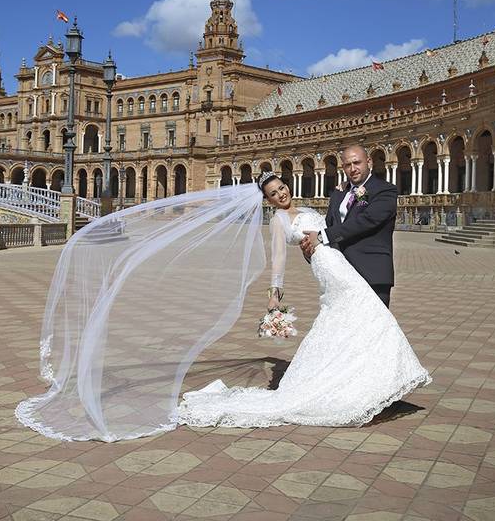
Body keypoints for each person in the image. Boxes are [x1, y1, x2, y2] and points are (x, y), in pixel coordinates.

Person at [176, 171, 430, 428]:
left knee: (353, 320)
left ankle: (359, 381)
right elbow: (278, 260)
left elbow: (335, 224)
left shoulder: (306, 208)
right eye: (273, 194)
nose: (281, 194)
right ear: (268, 200)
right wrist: (274, 295)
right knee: (369, 312)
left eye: (282, 187)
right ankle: (366, 383)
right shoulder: (278, 220)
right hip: (329, 268)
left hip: (341, 263)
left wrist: (342, 190)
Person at [301, 144, 396, 307]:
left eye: (357, 163)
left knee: (374, 329)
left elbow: (367, 220)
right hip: (340, 274)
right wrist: (312, 248)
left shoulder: (385, 190)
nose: (353, 169)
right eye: (347, 165)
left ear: (369, 162)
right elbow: (330, 223)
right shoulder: (339, 193)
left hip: (371, 272)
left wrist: (321, 236)